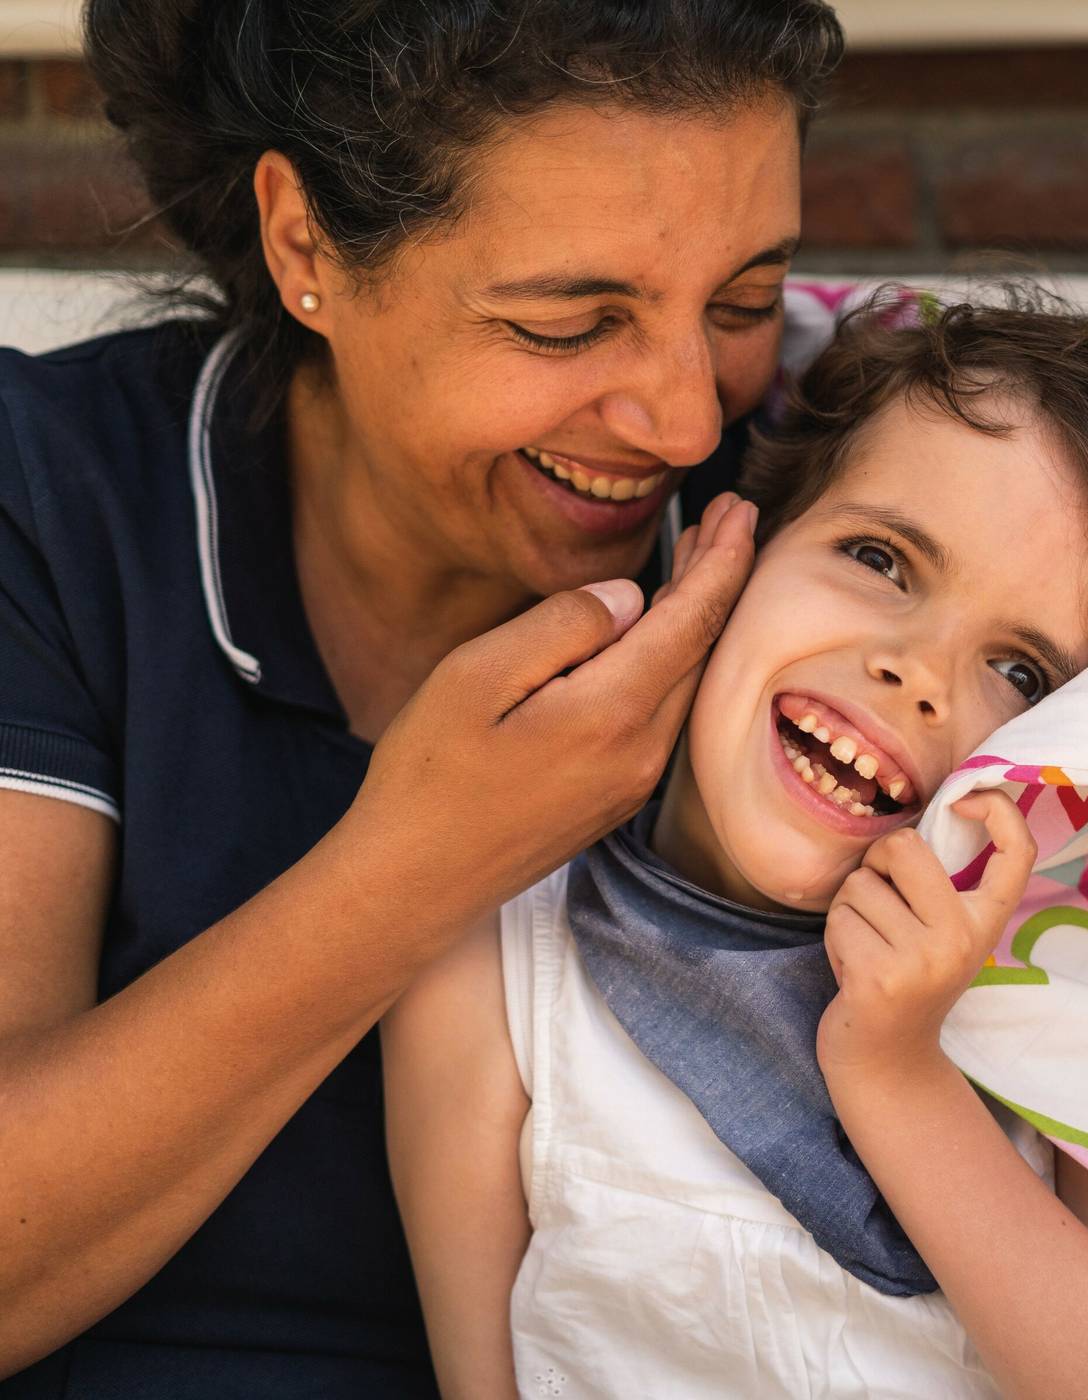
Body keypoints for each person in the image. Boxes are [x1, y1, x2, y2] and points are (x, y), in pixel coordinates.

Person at [0, 3, 844, 1393]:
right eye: (571, 324)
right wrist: (422, 863)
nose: (690, 419)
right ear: (305, 246)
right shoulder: (54, 502)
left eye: (745, 302)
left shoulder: (832, 520)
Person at [382, 293, 1088, 1399]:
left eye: (1020, 670)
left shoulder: (1059, 944)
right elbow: (476, 1373)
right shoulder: (501, 943)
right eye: (883, 558)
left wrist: (897, 1076)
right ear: (726, 547)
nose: (920, 671)